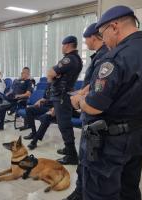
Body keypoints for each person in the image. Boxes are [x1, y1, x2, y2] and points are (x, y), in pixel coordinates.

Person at [70, 6, 142, 200]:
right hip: (139, 132)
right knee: (129, 189)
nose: (103, 40)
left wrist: (78, 100)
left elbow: (94, 106)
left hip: (110, 140)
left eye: (102, 33)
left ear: (114, 27)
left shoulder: (114, 58)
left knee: (99, 192)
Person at [63, 23, 109, 200]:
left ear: (93, 37)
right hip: (87, 108)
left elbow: (100, 86)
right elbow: (92, 83)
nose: (86, 43)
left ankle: (82, 193)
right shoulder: (99, 56)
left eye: (86, 39)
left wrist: (80, 98)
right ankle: (80, 191)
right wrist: (81, 92)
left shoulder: (105, 56)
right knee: (84, 159)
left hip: (92, 114)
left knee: (86, 158)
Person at [51, 36, 83, 165]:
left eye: (63, 45)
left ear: (68, 45)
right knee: (64, 124)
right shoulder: (76, 59)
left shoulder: (69, 59)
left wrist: (53, 75)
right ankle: (68, 148)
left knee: (64, 125)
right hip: (64, 95)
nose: (62, 47)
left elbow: (51, 73)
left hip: (62, 96)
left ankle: (72, 155)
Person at [22, 69, 53, 139]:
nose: (46, 78)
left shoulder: (58, 86)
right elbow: (45, 97)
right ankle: (33, 132)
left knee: (33, 111)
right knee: (29, 109)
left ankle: (36, 136)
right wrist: (39, 101)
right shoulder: (49, 85)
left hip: (52, 108)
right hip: (45, 106)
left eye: (48, 76)